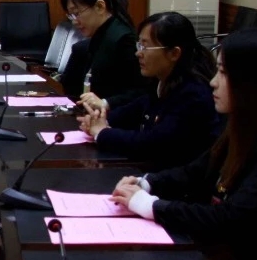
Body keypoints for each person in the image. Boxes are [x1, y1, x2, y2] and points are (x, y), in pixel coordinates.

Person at [110, 29, 257, 260]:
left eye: (224, 73)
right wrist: (146, 183)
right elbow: (195, 172)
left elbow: (229, 220)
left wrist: (152, 207)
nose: (213, 83)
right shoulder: (243, 126)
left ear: (253, 82)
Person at [78, 11, 219, 168]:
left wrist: (103, 133)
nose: (138, 53)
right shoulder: (161, 81)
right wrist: (98, 119)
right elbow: (134, 110)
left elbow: (152, 143)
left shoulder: (193, 94)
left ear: (174, 53)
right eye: (139, 45)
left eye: (145, 46)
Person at [57, 0, 145, 103]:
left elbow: (138, 92)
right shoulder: (97, 38)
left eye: (77, 13)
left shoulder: (124, 39)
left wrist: (105, 103)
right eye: (71, 16)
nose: (74, 22)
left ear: (100, 6)